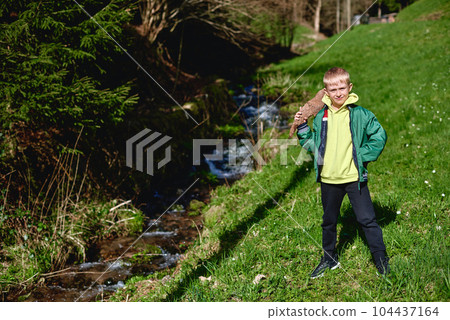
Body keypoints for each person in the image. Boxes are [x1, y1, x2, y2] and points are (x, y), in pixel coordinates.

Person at [295, 67, 390, 278]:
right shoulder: (321, 117)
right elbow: (313, 144)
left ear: (349, 87)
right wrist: (302, 128)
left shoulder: (361, 114)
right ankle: (329, 259)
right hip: (329, 179)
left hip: (354, 179)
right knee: (328, 221)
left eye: (342, 88)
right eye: (333, 89)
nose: (338, 93)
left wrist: (361, 156)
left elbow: (379, 137)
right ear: (326, 92)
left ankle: (380, 259)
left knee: (367, 220)